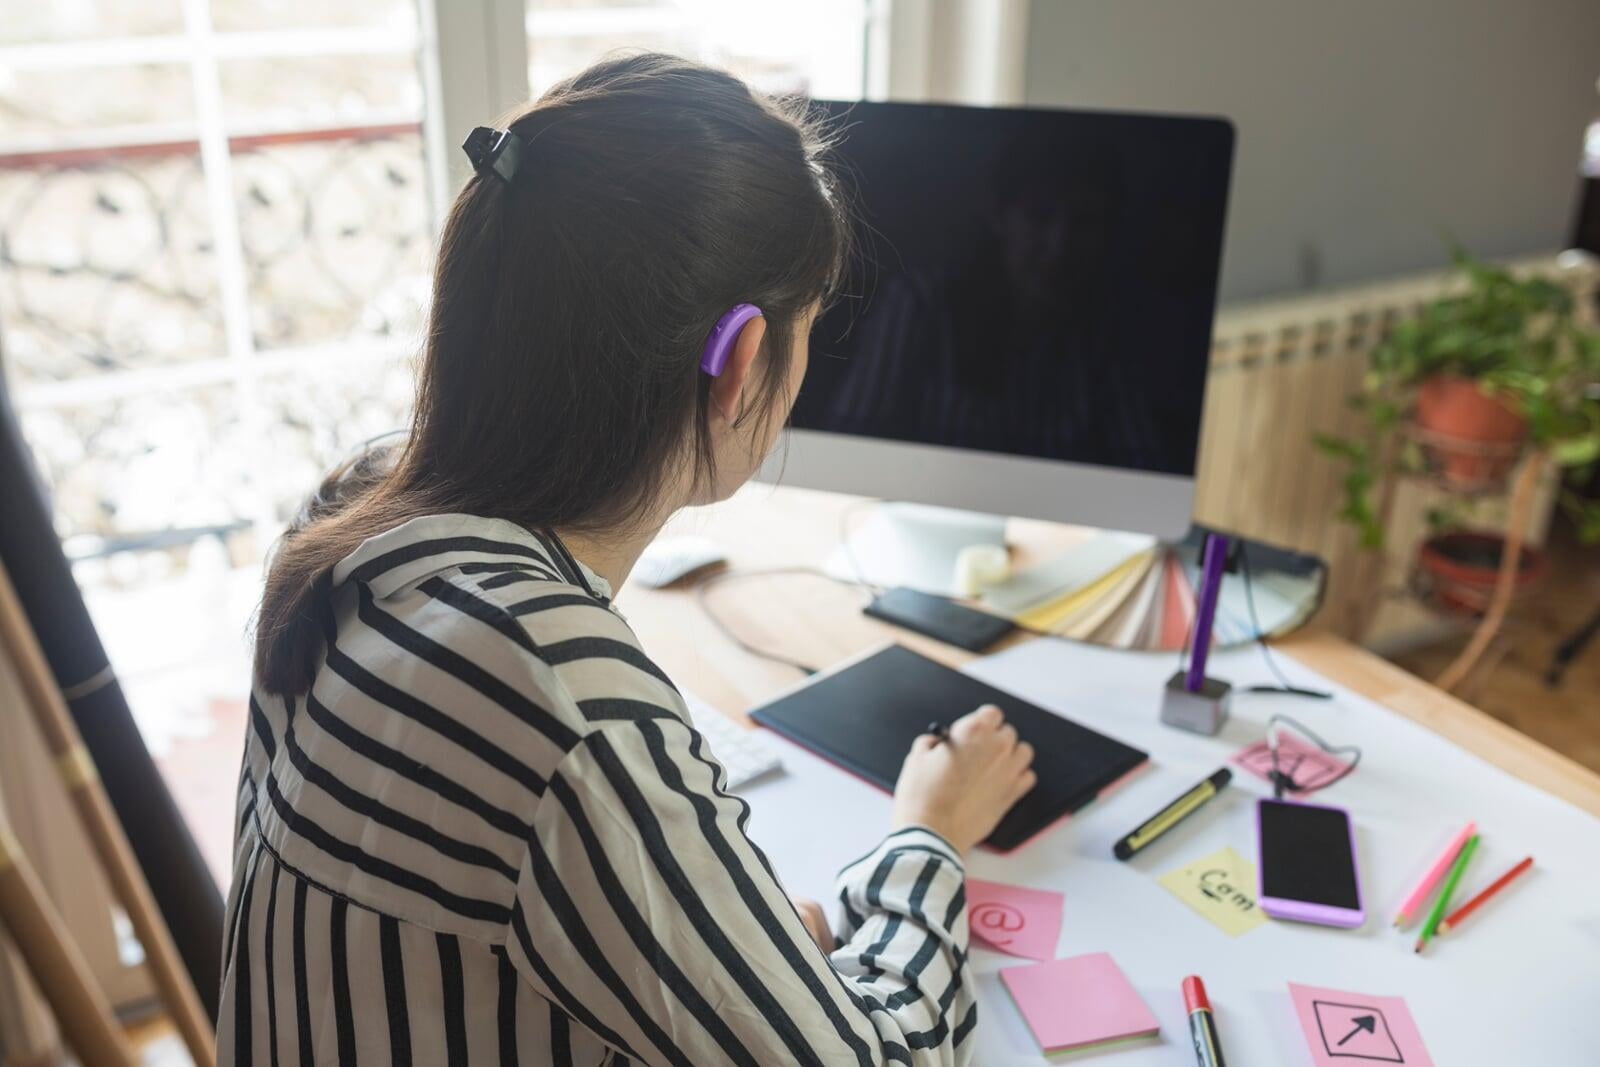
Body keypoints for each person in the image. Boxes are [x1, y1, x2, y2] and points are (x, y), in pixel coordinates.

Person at [221, 53, 1035, 1066]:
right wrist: (929, 833)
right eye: (809, 330)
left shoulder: (354, 518)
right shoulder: (560, 696)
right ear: (739, 364)